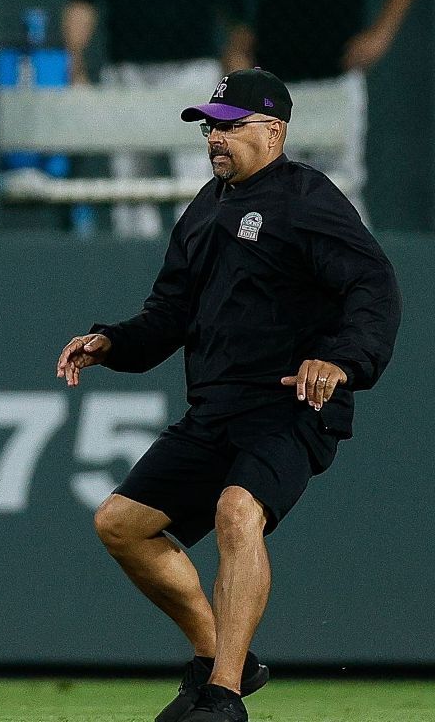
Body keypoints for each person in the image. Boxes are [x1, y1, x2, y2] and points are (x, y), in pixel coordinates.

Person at [55, 69, 400, 722]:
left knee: (237, 511)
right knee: (121, 523)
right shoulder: (205, 208)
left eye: (232, 124)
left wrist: (343, 360)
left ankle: (224, 694)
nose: (217, 137)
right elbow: (168, 315)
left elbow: (373, 287)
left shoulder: (306, 197)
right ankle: (216, 657)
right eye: (211, 124)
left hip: (291, 402)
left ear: (275, 130)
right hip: (216, 409)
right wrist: (111, 342)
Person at [62, 0, 243, 239]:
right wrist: (75, 64)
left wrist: (237, 68)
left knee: (199, 175)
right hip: (127, 69)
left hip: (194, 68)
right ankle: (133, 266)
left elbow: (237, 13)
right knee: (130, 182)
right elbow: (83, 1)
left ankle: (200, 260)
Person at [224, 0, 416, 218]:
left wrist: (382, 34)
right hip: (272, 84)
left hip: (336, 80)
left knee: (341, 198)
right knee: (266, 199)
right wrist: (237, 33)